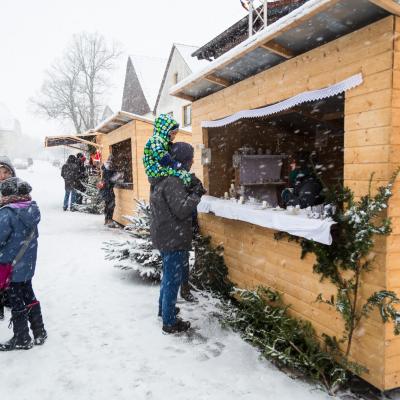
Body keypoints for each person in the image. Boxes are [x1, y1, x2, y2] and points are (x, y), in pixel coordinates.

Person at [150, 142, 206, 334]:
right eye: (190, 159)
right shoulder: (173, 181)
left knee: (168, 276)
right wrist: (196, 194)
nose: (192, 162)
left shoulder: (164, 177)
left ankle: (164, 311)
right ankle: (170, 322)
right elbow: (182, 210)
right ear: (184, 160)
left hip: (166, 234)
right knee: (172, 280)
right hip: (173, 237)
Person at [0, 178, 47, 350]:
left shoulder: (7, 213)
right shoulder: (31, 210)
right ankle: (39, 331)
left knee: (15, 300)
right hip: (26, 264)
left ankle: (22, 338)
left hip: (10, 266)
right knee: (28, 294)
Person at [143, 114, 192, 187]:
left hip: (161, 170)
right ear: (164, 131)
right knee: (182, 175)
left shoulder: (164, 142)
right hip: (155, 171)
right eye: (172, 133)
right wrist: (174, 164)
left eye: (175, 134)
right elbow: (160, 155)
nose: (174, 136)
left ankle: (187, 188)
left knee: (184, 175)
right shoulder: (155, 140)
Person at [0, 158, 16, 320]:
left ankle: (9, 298)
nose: (2, 176)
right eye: (0, 173)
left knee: (8, 271)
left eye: (5, 172)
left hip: (9, 237)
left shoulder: (15, 190)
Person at [100, 155, 119, 226]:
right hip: (108, 189)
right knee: (111, 205)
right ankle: (109, 220)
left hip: (104, 189)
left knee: (107, 204)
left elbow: (105, 178)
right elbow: (110, 180)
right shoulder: (110, 167)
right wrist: (117, 176)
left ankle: (106, 219)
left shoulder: (105, 166)